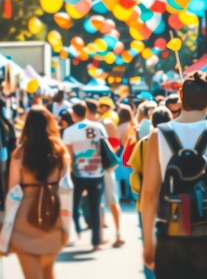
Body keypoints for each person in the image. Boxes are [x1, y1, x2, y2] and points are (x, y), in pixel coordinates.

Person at [141, 71, 207, 278]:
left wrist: (148, 243)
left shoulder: (159, 135)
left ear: (181, 95)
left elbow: (149, 194)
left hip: (170, 235)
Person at [9, 106, 70, 279]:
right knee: (48, 272)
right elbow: (66, 188)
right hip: (53, 216)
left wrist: (6, 224)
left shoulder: (19, 153)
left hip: (24, 220)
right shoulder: (60, 151)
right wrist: (66, 224)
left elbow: (12, 191)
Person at [128, 106, 172, 279]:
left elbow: (134, 171)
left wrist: (143, 189)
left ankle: (150, 276)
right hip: (171, 200)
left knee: (148, 242)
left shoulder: (144, 143)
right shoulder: (175, 142)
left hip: (145, 202)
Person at [63, 101, 107, 251]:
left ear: (74, 115)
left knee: (73, 205)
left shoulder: (69, 131)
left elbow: (68, 155)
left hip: (77, 173)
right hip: (97, 171)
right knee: (95, 206)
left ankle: (77, 231)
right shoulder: (98, 127)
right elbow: (104, 148)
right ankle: (96, 242)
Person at [85, 99, 124, 247]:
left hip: (105, 167)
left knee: (112, 201)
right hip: (94, 167)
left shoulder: (106, 122)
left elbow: (116, 144)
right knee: (97, 202)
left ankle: (118, 233)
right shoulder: (87, 126)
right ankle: (100, 235)